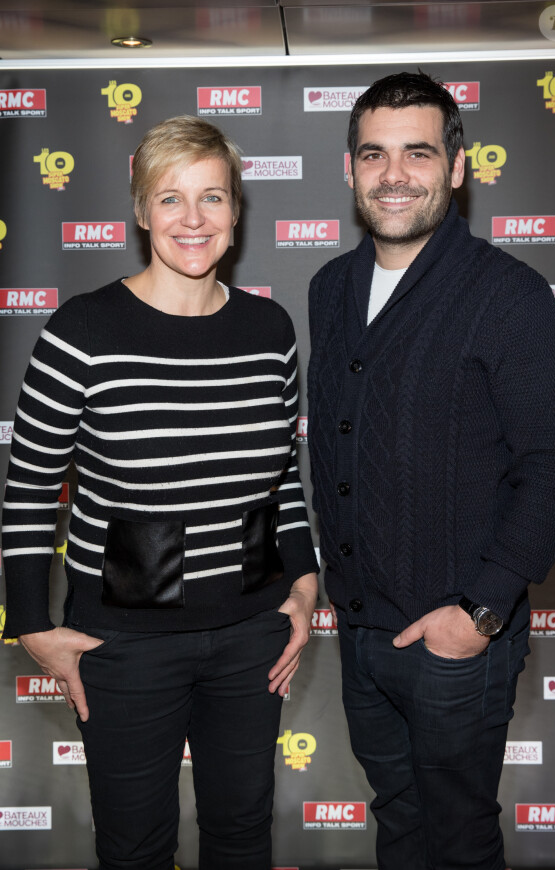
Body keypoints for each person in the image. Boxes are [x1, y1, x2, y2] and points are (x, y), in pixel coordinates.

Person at [1, 115, 319, 870]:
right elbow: (27, 487)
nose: (193, 219)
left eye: (212, 197)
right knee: (136, 847)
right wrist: (31, 625)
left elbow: (283, 482)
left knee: (242, 837)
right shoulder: (82, 330)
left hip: (250, 639)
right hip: (125, 646)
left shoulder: (270, 330)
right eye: (170, 198)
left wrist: (304, 584)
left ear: (237, 213)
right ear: (141, 210)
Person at [307, 71, 555, 870]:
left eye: (418, 153)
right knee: (398, 824)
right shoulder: (331, 288)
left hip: (457, 640)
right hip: (361, 632)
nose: (394, 175)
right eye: (374, 154)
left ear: (457, 168)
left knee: (457, 838)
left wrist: (481, 613)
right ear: (349, 169)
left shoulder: (508, 294)